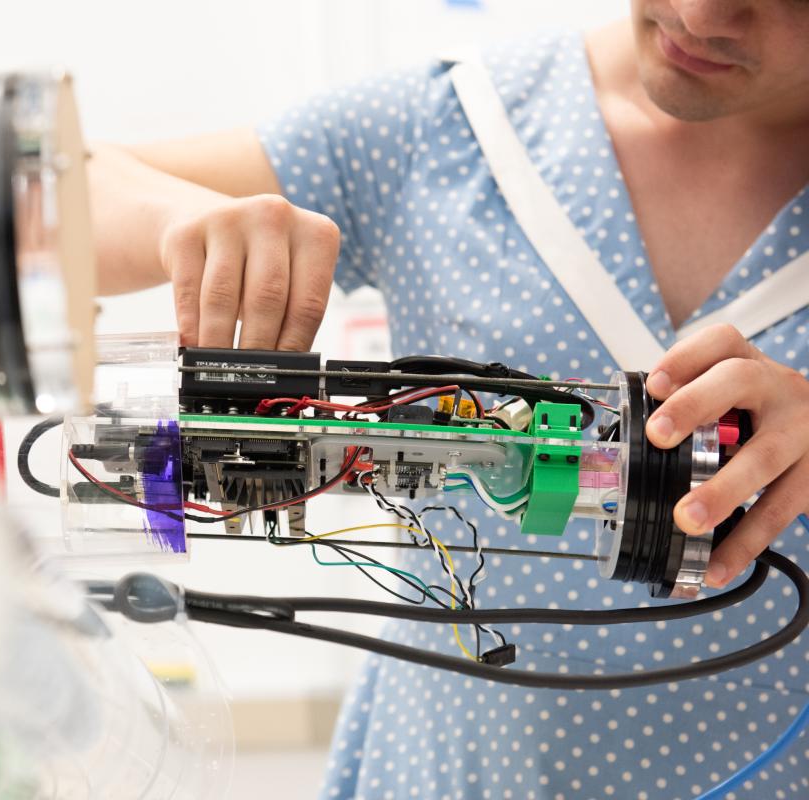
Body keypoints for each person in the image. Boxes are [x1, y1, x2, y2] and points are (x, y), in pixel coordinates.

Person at [88, 1, 809, 797]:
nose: (703, 13)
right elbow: (51, 196)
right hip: (450, 769)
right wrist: (179, 218)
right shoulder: (452, 127)